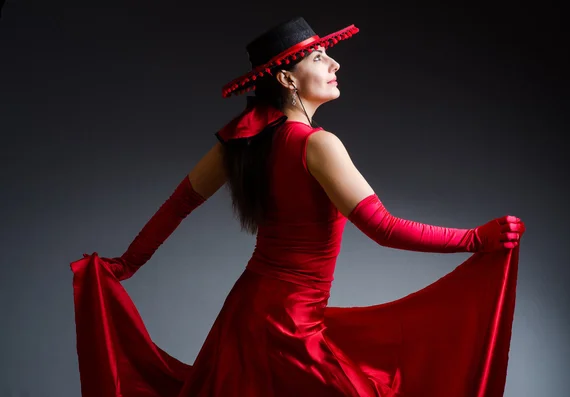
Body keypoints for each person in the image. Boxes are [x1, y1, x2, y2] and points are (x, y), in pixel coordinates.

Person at [70, 17, 526, 397]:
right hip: (286, 326)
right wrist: (474, 240)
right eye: (318, 57)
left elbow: (178, 205)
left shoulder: (241, 142)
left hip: (248, 316)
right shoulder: (317, 145)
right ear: (287, 79)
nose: (334, 63)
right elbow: (382, 228)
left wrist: (127, 264)